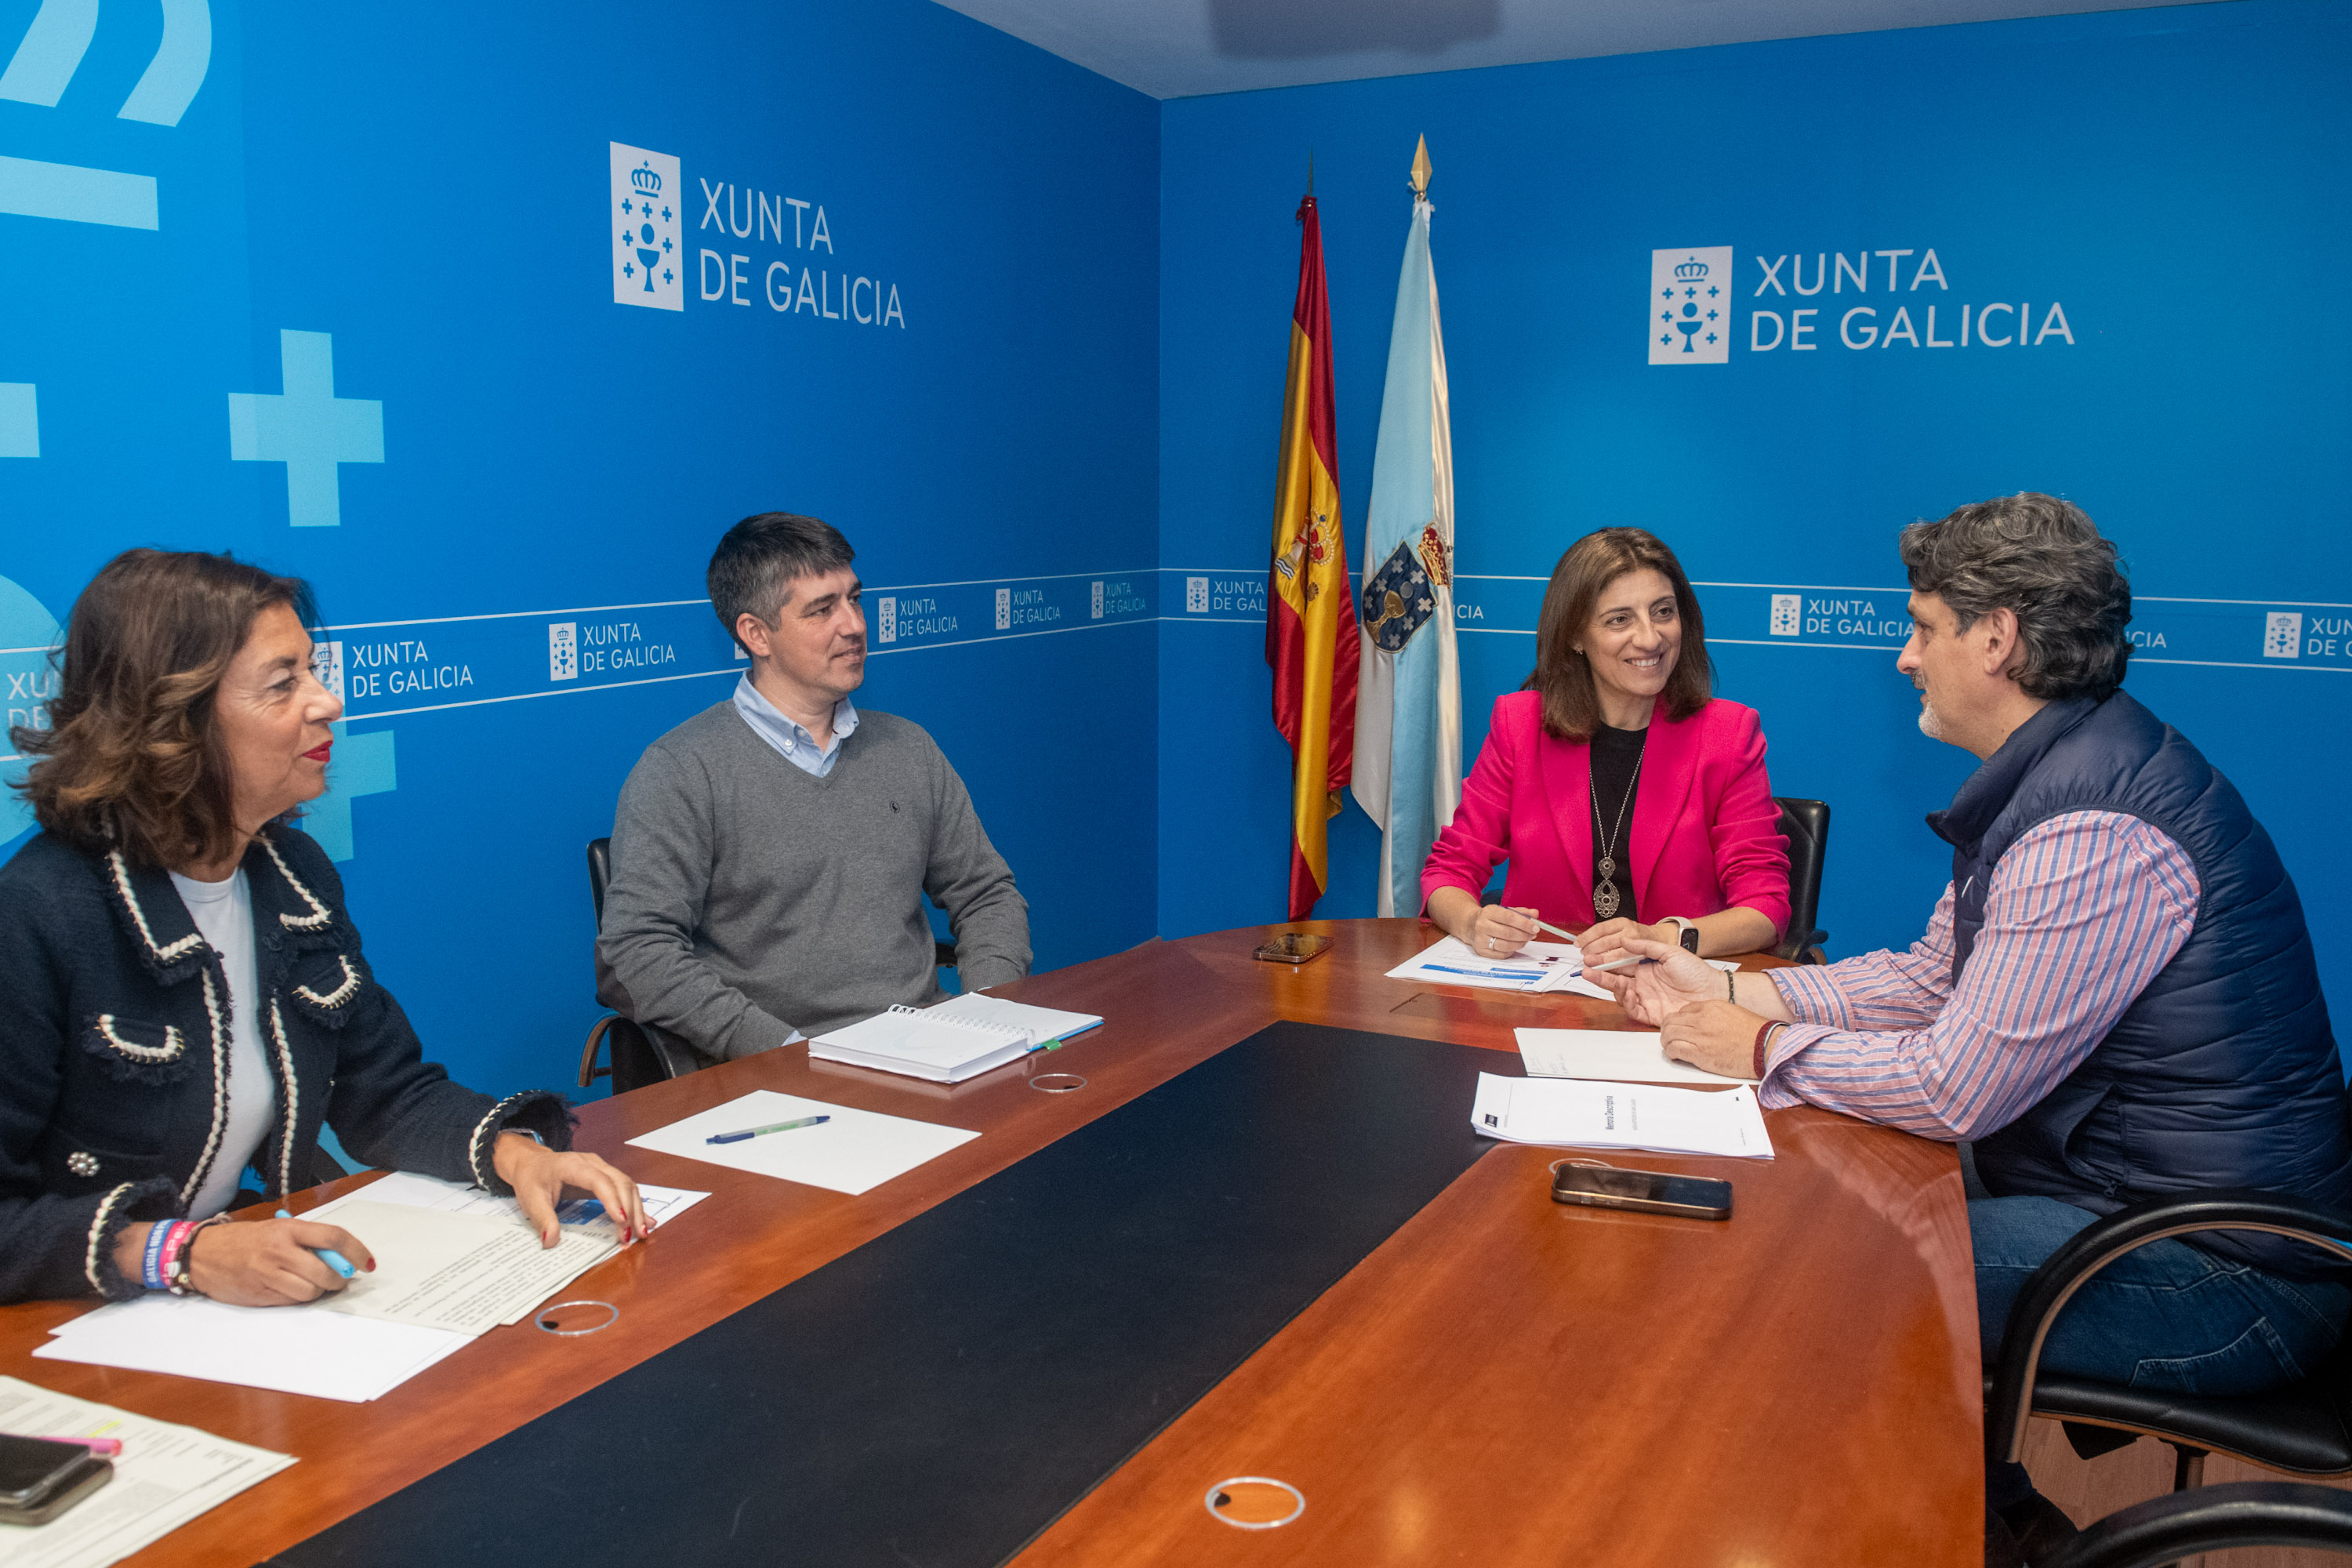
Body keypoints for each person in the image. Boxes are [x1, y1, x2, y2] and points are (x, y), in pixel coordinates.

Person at [1589, 494, 2352, 1565]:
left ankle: (1969, 1538)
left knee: (1821, 1282)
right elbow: (1931, 978)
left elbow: (1956, 1088)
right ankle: (2003, 1522)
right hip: (2124, 1198)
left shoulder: (2093, 827)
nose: (1905, 658)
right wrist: (1726, 988)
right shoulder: (2064, 772)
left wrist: (1752, 1048)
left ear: (1996, 639)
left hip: (2225, 1269)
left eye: (1922, 627)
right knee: (1819, 1226)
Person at [0, 550, 649, 1308]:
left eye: (313, 670)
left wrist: (517, 1154)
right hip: (70, 1320)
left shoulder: (293, 871)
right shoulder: (40, 912)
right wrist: (177, 1253)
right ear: (174, 719)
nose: (328, 702)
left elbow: (384, 1089)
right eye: (284, 683)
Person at [597, 512, 1029, 1062]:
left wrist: (987, 1011)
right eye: (822, 610)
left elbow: (987, 893)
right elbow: (637, 950)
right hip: (778, 1070)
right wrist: (782, 1051)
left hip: (929, 1050)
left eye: (855, 599)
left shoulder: (907, 748)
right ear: (756, 634)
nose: (854, 625)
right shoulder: (681, 770)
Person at [1421, 527, 1789, 964]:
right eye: (1620, 619)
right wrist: (1472, 922)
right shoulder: (1519, 725)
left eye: (1663, 612)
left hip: (1673, 987)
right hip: (1544, 987)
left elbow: (1766, 907)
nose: (1650, 638)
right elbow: (1450, 870)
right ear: (1576, 636)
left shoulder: (1728, 734)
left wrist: (1663, 937)